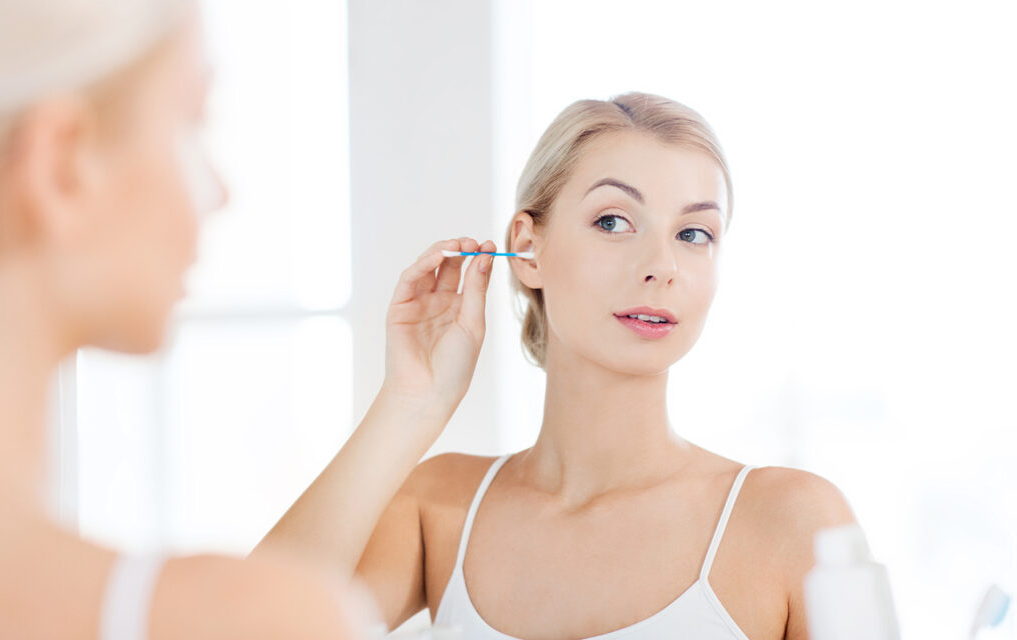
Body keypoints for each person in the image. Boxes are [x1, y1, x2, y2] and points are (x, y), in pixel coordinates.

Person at [256, 92, 859, 639]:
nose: (662, 264)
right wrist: (410, 406)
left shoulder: (791, 521)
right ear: (528, 248)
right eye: (613, 221)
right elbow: (240, 626)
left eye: (695, 233)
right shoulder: (438, 509)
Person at [0, 0, 496, 636]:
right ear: (62, 164)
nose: (219, 192)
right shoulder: (243, 615)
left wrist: (411, 401)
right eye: (191, 123)